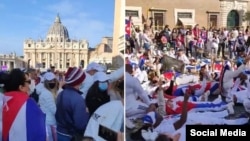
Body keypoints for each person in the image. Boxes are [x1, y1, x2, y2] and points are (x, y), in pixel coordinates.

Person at [0, 69, 46, 141]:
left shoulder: (2, 100)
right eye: (28, 82)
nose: (30, 84)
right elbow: (39, 132)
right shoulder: (29, 104)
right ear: (21, 87)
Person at [56, 67, 89, 141]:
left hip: (59, 132)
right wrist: (86, 113)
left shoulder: (61, 93)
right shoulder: (78, 99)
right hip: (70, 135)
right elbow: (80, 125)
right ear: (79, 81)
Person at [39, 72, 59, 141]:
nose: (52, 82)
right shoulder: (47, 94)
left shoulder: (48, 92)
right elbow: (54, 110)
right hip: (50, 122)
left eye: (54, 80)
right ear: (46, 82)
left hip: (48, 121)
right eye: (50, 81)